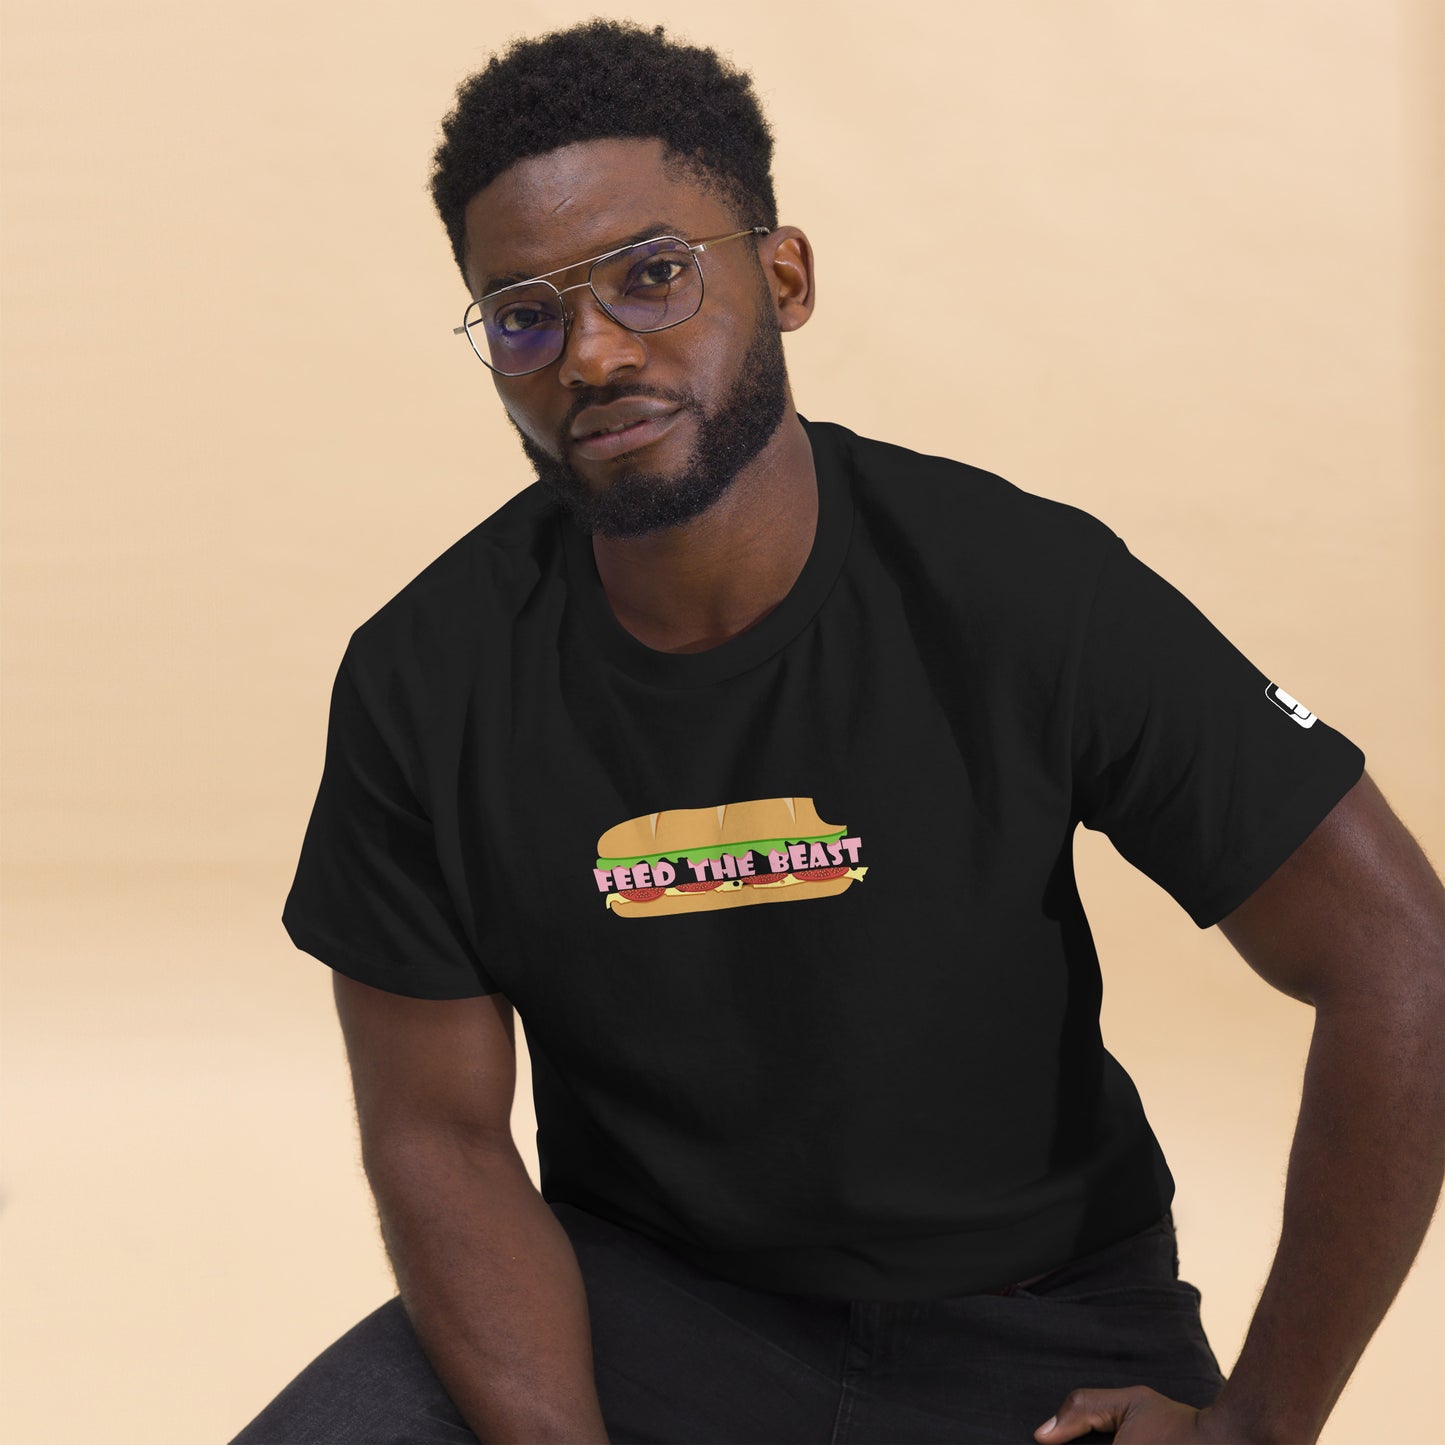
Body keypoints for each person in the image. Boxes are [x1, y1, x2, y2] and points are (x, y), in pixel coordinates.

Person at [230, 20, 1445, 1445]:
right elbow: (436, 1132)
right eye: (523, 316)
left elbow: (1398, 957)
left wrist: (1258, 1424)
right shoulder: (422, 677)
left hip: (1032, 1330)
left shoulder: (1017, 587)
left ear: (783, 276)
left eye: (652, 275)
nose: (594, 352)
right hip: (640, 1310)